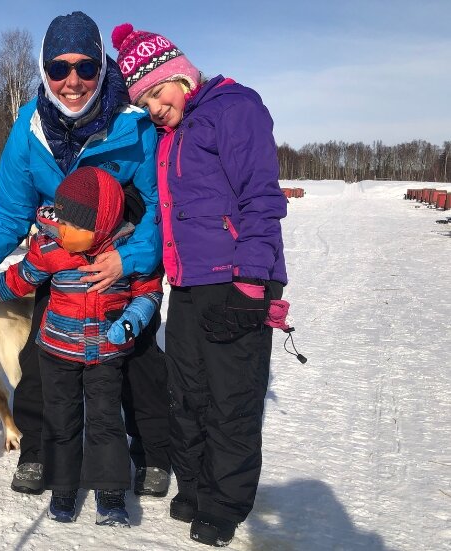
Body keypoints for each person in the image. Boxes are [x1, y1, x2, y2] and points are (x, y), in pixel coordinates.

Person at [0, 11, 174, 498]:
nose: (72, 81)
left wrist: (130, 258)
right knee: (40, 356)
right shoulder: (29, 129)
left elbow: (159, 210)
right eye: (59, 68)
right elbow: (10, 214)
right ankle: (37, 449)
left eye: (85, 67)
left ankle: (151, 451)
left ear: (103, 67)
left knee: (138, 356)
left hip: (125, 264)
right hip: (62, 263)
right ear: (43, 69)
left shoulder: (135, 123)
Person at [112, 23, 289, 547]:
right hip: (187, 284)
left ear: (180, 77)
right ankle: (193, 485)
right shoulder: (171, 135)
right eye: (141, 101)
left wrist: (254, 281)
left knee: (230, 396)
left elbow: (261, 198)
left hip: (237, 279)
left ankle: (224, 502)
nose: (152, 107)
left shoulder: (234, 109)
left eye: (155, 92)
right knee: (186, 391)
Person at [0, 167, 163, 526]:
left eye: (73, 226)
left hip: (106, 352)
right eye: (60, 221)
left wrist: (130, 322)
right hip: (56, 351)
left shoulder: (130, 252)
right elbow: (19, 279)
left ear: (101, 226)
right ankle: (63, 486)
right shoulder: (50, 247)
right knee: (61, 418)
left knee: (105, 421)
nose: (61, 230)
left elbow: (148, 293)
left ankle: (110, 491)